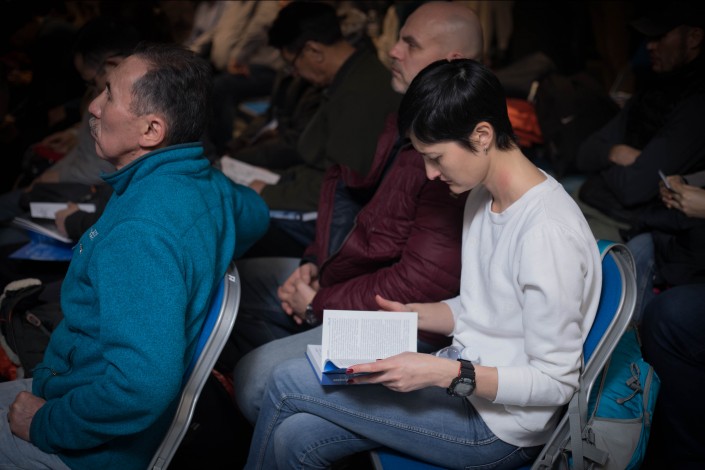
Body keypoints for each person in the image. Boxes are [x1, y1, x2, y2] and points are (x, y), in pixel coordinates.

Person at [244, 58, 602, 470]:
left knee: (286, 380)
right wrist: (414, 316)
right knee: (295, 437)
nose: (430, 174)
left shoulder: (547, 234)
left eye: (436, 157)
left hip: (500, 427)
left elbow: (556, 383)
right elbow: (490, 309)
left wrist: (441, 373)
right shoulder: (482, 195)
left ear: (482, 135)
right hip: (463, 381)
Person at [0, 42, 269, 470]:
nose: (93, 106)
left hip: (88, 442)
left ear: (151, 130)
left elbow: (140, 387)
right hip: (96, 406)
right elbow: (256, 214)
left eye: (109, 95)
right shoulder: (205, 182)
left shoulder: (139, 235)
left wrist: (45, 424)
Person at [228, 1, 483, 380]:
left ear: (452, 61)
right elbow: (353, 202)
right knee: (232, 285)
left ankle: (295, 371)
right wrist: (314, 263)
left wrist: (320, 303)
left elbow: (420, 283)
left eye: (411, 44)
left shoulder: (454, 150)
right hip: (351, 278)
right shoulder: (405, 119)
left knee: (257, 378)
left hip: (402, 322)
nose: (393, 51)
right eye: (399, 40)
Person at [245, 1, 402, 251]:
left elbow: (342, 187)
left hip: (337, 218)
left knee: (241, 227)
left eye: (293, 64)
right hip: (315, 194)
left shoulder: (360, 96)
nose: (295, 73)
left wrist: (269, 193)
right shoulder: (353, 76)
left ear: (314, 51)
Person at [575, 2, 705, 241]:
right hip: (600, 200)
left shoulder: (696, 104)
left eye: (660, 37)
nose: (650, 46)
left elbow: (633, 189)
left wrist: (610, 166)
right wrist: (615, 152)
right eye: (649, 38)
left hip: (641, 226)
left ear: (694, 38)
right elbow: (584, 154)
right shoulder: (655, 87)